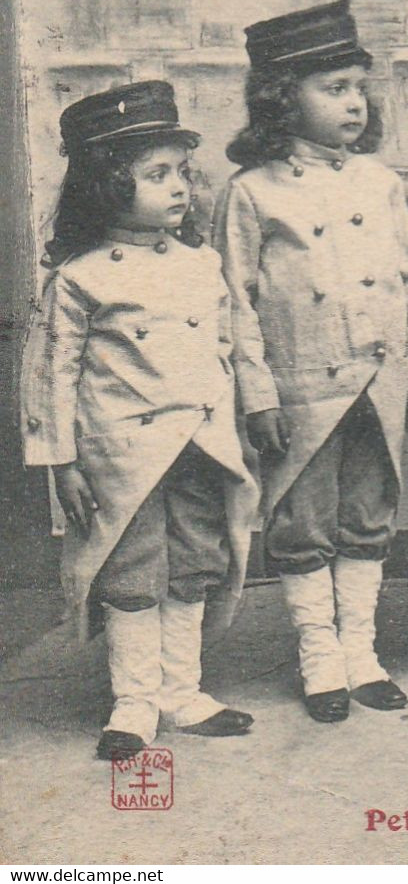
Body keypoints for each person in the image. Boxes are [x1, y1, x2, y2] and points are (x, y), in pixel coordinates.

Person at [215, 0, 408, 722]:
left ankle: (362, 650)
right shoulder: (251, 192)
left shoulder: (378, 182)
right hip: (302, 387)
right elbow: (234, 304)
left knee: (369, 514)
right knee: (303, 522)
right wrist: (258, 396)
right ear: (283, 99)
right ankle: (319, 653)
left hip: (378, 378)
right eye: (332, 88)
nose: (352, 102)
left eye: (356, 87)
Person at [22, 81, 256, 759]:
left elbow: (223, 350)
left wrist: (229, 426)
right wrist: (59, 462)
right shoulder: (81, 277)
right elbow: (51, 375)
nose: (179, 187)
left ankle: (181, 692)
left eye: (182, 172)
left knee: (192, 562)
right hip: (122, 454)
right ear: (105, 184)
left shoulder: (202, 265)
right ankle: (133, 701)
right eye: (157, 174)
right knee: (131, 570)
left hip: (197, 445)